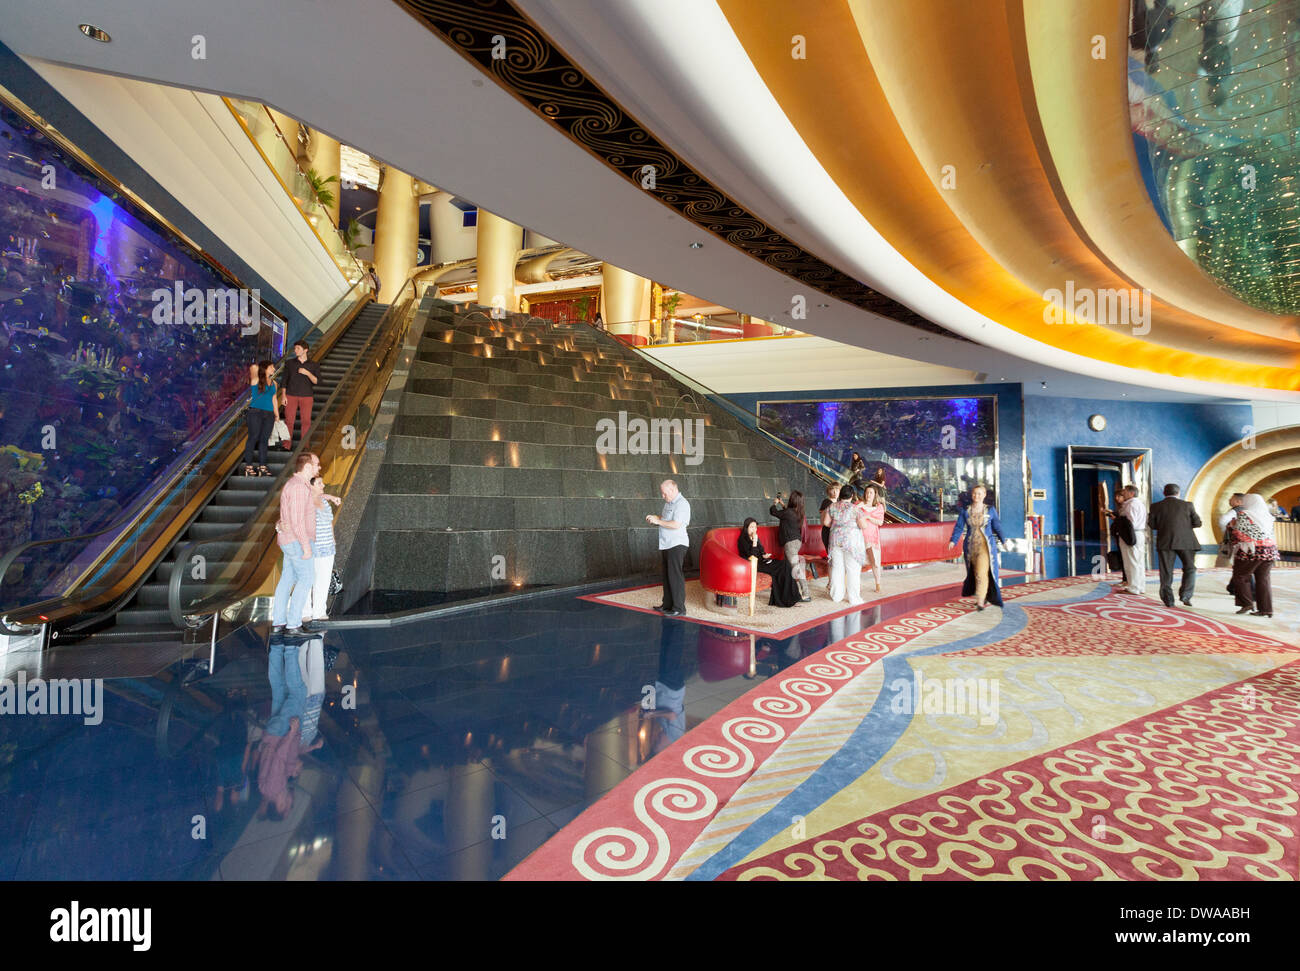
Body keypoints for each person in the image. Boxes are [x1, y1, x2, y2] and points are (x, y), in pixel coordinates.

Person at [272, 452, 321, 637]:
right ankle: (293, 624)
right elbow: (298, 520)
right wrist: (306, 546)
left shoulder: (293, 484)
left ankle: (279, 623)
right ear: (307, 466)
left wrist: (279, 525)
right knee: (306, 578)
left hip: (289, 539)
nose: (319, 468)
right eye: (317, 464)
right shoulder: (299, 487)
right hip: (298, 541)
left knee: (287, 579)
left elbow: (289, 515)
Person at [947, 482, 1007, 610]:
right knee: (974, 573)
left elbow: (997, 526)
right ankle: (982, 595)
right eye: (974, 493)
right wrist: (953, 541)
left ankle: (980, 602)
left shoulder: (990, 510)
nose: (976, 496)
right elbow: (959, 527)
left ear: (984, 495)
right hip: (970, 547)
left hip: (986, 547)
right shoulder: (965, 510)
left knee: (982, 572)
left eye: (979, 493)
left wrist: (1004, 540)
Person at [1148, 482, 1202, 607]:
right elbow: (1198, 523)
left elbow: (1152, 525)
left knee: (1166, 572)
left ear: (1164, 493)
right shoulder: (1187, 505)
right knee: (1190, 569)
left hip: (1165, 541)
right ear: (1178, 493)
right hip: (1186, 542)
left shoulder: (1155, 506)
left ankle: (1168, 600)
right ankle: (1186, 595)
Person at [1226, 493, 1279, 618]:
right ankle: (1266, 609)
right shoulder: (1268, 516)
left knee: (1240, 576)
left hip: (1251, 551)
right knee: (1263, 580)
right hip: (1269, 551)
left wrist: (1232, 526)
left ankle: (1247, 603)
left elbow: (1239, 534)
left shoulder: (1245, 514)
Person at [300, 475, 343, 625]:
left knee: (323, 580)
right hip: (312, 548)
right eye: (319, 483)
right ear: (310, 486)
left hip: (327, 547)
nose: (323, 485)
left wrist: (333, 540)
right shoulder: (305, 503)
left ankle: (319, 611)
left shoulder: (325, 501)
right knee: (307, 581)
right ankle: (305, 612)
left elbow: (330, 522)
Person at [822, 484, 872, 605]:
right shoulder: (855, 509)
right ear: (852, 496)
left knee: (837, 568)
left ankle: (836, 596)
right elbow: (863, 525)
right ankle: (853, 598)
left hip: (835, 541)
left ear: (841, 494)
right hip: (851, 543)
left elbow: (826, 522)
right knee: (852, 570)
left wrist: (837, 525)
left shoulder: (832, 506)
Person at [647, 479, 691, 617]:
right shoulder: (669, 503)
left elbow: (676, 524)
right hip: (667, 543)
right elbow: (666, 518)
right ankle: (667, 605)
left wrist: (658, 521)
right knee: (667, 575)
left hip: (677, 544)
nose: (663, 496)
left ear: (672, 490)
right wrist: (657, 517)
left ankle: (679, 608)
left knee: (675, 576)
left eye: (664, 493)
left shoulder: (682, 504)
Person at [738, 518, 800, 608]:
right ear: (746, 528)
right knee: (781, 568)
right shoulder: (742, 540)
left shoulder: (754, 537)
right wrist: (754, 542)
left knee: (786, 564)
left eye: (755, 527)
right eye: (751, 527)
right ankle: (786, 600)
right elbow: (752, 556)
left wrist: (764, 555)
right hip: (754, 565)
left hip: (763, 561)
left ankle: (792, 598)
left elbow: (761, 551)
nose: (754, 529)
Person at [769, 490, 811, 602]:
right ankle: (792, 593)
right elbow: (787, 513)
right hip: (796, 542)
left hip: (790, 544)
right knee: (789, 568)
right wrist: (782, 504)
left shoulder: (788, 513)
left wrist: (774, 503)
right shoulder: (799, 512)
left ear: (792, 500)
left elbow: (773, 512)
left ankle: (806, 594)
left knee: (796, 568)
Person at [1107, 485, 1148, 595]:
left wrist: (1117, 519)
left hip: (1131, 534)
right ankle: (1140, 586)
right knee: (1138, 561)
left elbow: (1129, 523)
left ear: (1131, 493)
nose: (1123, 493)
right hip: (1138, 534)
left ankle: (1133, 588)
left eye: (1125, 491)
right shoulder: (1139, 504)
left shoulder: (1131, 505)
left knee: (1131, 561)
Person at [243, 360, 278, 477]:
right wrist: (260, 367)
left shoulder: (274, 383)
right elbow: (253, 367)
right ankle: (248, 466)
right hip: (255, 412)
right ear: (265, 368)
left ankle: (262, 466)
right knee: (253, 437)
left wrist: (276, 414)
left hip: (269, 413)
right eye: (272, 367)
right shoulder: (256, 380)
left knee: (264, 439)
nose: (274, 369)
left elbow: (274, 399)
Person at [282, 340, 320, 447]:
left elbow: (317, 381)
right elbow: (284, 380)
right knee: (289, 420)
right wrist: (283, 396)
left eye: (298, 348)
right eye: (295, 348)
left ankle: (305, 445)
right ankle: (286, 444)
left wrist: (307, 373)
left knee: (306, 421)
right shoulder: (289, 363)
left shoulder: (314, 365)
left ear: (305, 350)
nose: (295, 350)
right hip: (291, 395)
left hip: (307, 396)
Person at [858, 484, 887, 593]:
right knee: (857, 561)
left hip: (872, 537)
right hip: (859, 536)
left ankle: (878, 583)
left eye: (871, 492)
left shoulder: (879, 507)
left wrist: (869, 517)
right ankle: (857, 584)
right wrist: (858, 506)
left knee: (875, 561)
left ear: (875, 494)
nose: (868, 495)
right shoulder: (859, 505)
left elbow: (880, 522)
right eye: (867, 492)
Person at [818, 482, 839, 558]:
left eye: (837, 489)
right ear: (829, 491)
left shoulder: (838, 503)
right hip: (828, 531)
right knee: (832, 556)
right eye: (832, 490)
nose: (835, 492)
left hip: (835, 532)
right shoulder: (827, 502)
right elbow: (824, 520)